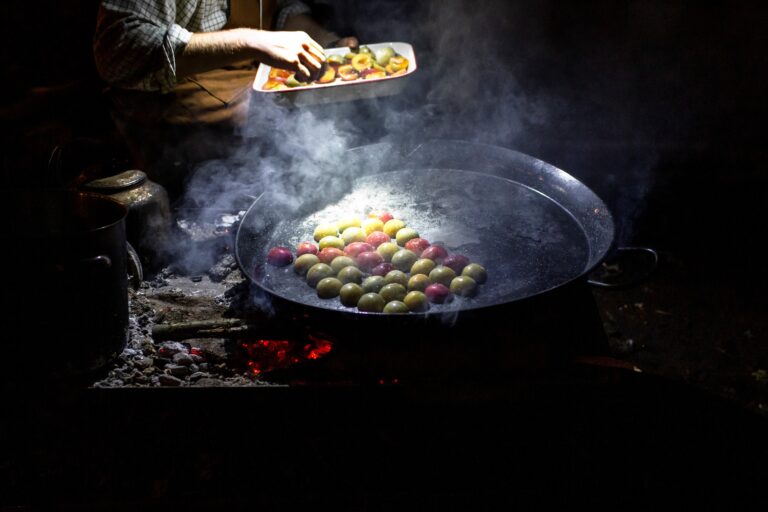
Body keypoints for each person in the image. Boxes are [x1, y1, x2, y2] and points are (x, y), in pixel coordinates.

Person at [93, 0, 358, 199]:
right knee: (267, 125)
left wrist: (321, 42)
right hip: (165, 104)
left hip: (247, 73)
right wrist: (249, 40)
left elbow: (279, 8)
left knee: (317, 116)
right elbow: (120, 48)